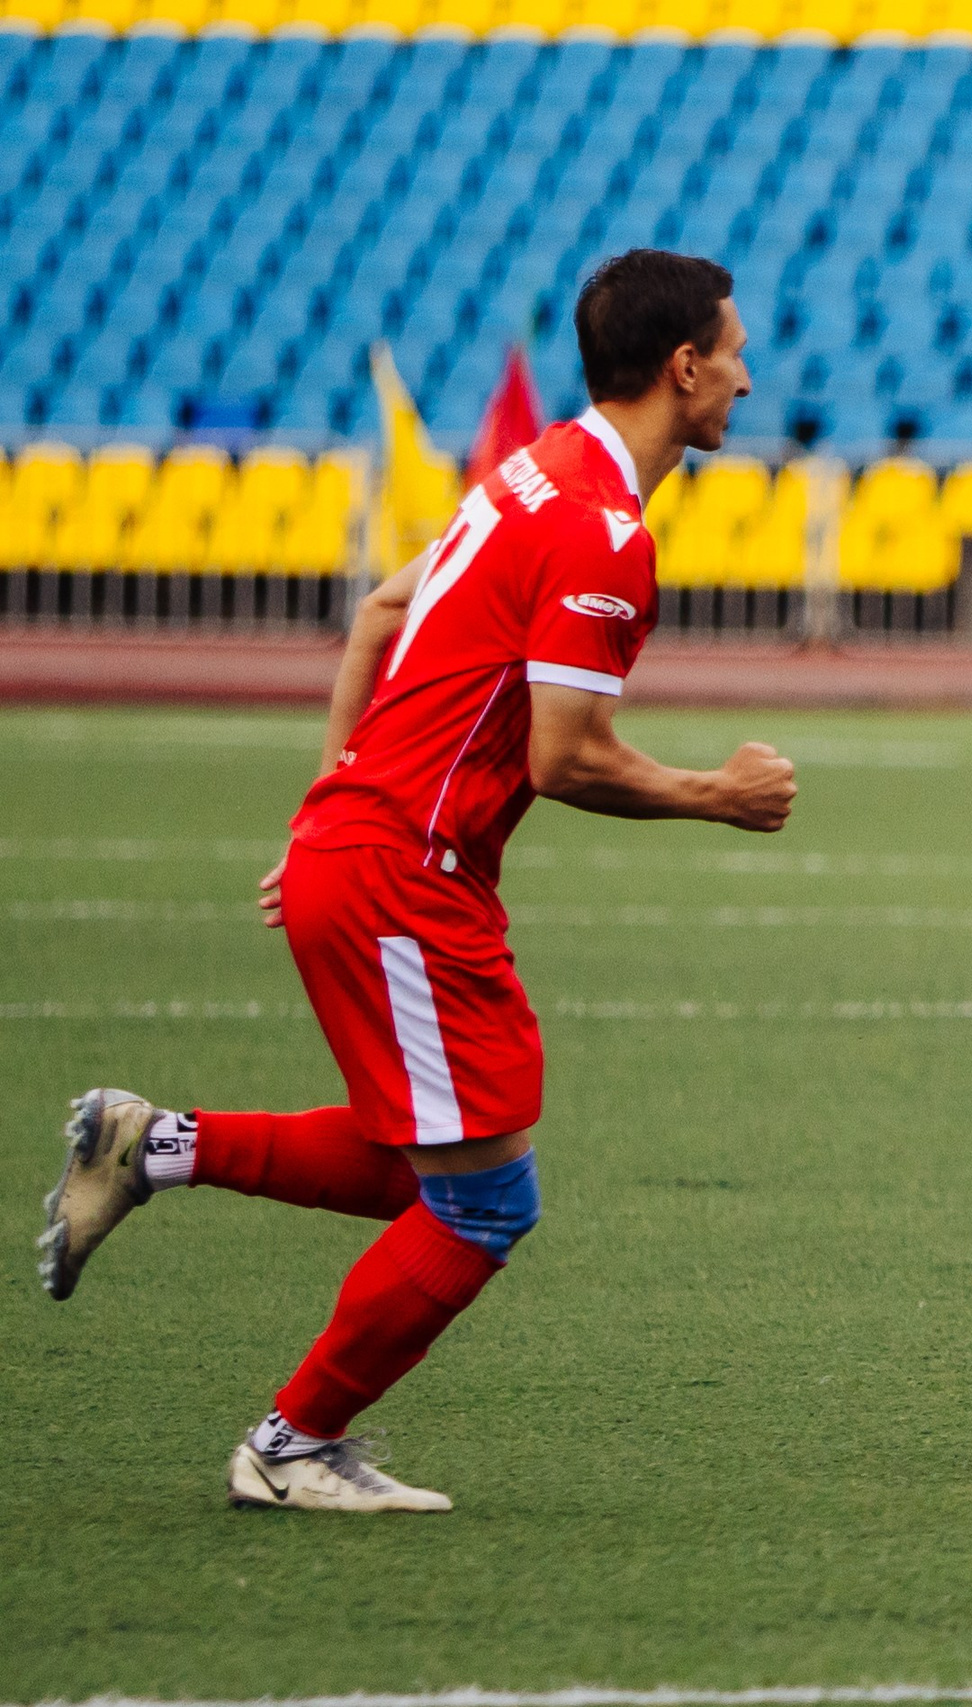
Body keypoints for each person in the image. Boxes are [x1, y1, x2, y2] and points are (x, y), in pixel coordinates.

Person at [35, 249, 799, 1513]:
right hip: (405, 875)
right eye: (733, 351)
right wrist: (715, 795)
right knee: (488, 1201)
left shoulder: (532, 469)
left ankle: (148, 1145)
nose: (746, 375)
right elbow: (564, 757)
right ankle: (288, 1446)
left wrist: (328, 808)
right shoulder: (602, 531)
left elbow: (381, 618)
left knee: (428, 1171)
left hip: (371, 850)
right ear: (683, 368)